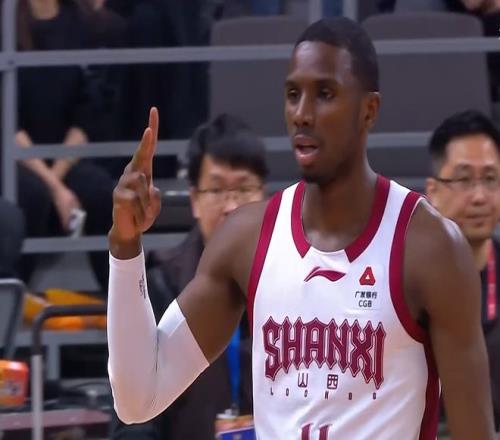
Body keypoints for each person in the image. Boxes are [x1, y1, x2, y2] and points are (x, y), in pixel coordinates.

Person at [107, 17, 495, 438]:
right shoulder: (245, 239)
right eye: (293, 95)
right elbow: (138, 398)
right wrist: (125, 246)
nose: (302, 114)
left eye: (325, 94)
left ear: (368, 110)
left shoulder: (430, 247)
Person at [109, 113, 267, 439]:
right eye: (217, 189)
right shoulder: (161, 282)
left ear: (263, 196)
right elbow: (133, 423)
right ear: (194, 199)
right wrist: (124, 243)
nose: (231, 206)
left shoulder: (290, 278)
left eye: (244, 189)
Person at [12, 0, 114, 293]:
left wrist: (56, 179)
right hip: (15, 158)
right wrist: (54, 187)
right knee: (31, 196)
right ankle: (12, 301)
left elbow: (89, 111)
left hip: (64, 158)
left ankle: (119, 301)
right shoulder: (7, 23)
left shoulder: (85, 24)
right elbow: (7, 122)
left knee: (102, 194)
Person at [426, 110, 500, 433]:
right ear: (433, 192)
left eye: (490, 179)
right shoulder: (403, 280)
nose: (480, 196)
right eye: (464, 180)